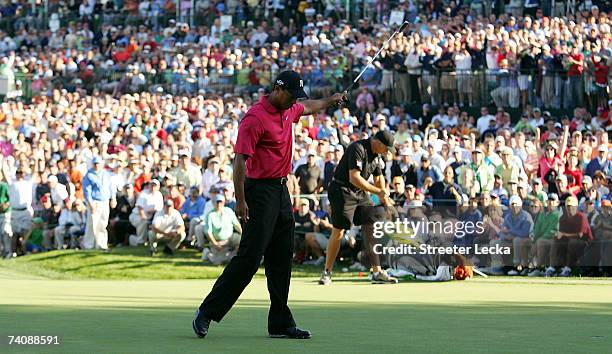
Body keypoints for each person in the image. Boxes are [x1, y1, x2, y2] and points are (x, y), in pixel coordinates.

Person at [193, 70, 345, 340]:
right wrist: (240, 201)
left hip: (280, 189)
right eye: (290, 96)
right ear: (277, 89)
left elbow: (307, 107)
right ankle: (207, 311)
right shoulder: (255, 118)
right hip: (258, 192)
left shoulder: (289, 107)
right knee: (250, 258)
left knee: (281, 256)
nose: (293, 102)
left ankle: (280, 322)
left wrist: (329, 100)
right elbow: (239, 162)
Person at [319, 130, 399, 285]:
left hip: (360, 193)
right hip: (341, 190)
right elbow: (354, 178)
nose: (387, 152)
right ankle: (327, 272)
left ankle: (377, 272)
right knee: (339, 231)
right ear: (379, 143)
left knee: (370, 226)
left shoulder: (377, 155)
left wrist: (385, 200)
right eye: (386, 148)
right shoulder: (358, 148)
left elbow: (378, 178)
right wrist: (378, 191)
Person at [549, 196, 593, 277]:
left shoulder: (581, 217)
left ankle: (567, 268)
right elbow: (562, 232)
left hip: (586, 243)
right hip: (569, 240)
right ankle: (552, 267)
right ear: (565, 207)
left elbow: (580, 235)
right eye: (568, 206)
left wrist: (563, 234)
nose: (570, 208)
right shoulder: (563, 218)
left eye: (572, 206)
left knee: (572, 242)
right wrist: (558, 235)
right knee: (555, 240)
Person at [82, 156, 116, 250]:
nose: (97, 165)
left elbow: (111, 187)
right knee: (92, 223)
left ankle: (101, 244)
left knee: (103, 223)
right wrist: (90, 203)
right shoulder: (89, 175)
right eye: (95, 164)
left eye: (98, 163)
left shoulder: (106, 174)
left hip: (105, 201)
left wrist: (113, 198)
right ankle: (89, 244)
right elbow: (87, 190)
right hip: (94, 201)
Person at [199, 195, 242, 265]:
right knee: (217, 262)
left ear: (224, 203)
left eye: (221, 202)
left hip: (230, 238)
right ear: (214, 203)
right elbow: (208, 232)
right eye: (217, 202)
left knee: (241, 240)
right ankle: (207, 252)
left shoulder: (229, 211)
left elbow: (237, 225)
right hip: (218, 241)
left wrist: (243, 235)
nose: (219, 204)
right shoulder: (210, 215)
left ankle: (233, 255)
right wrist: (215, 244)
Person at [529, 194, 561, 277]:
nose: (550, 202)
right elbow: (537, 228)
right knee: (530, 242)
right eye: (549, 200)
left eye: (553, 200)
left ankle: (539, 268)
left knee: (540, 242)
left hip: (554, 239)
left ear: (557, 203)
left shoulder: (558, 214)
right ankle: (527, 267)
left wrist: (538, 239)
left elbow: (553, 230)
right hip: (542, 238)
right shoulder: (543, 214)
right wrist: (533, 239)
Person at [129, 180, 164, 246]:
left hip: (149, 217)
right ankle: (140, 242)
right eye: (151, 185)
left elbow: (159, 209)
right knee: (143, 221)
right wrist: (144, 216)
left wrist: (152, 211)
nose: (153, 187)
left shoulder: (159, 195)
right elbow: (140, 207)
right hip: (136, 215)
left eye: (155, 185)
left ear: (158, 187)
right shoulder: (144, 193)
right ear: (149, 186)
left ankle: (134, 239)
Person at [0, 168, 12, 258]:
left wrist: (5, 205)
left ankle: (8, 251)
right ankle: (2, 251)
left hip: (5, 213)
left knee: (5, 231)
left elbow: (10, 199)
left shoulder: (4, 185)